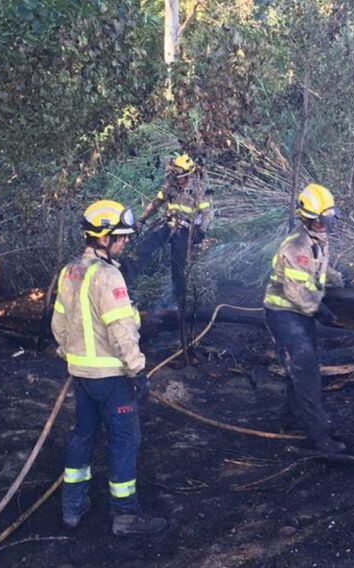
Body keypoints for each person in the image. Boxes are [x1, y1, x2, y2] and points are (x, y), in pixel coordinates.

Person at [51, 199, 166, 535]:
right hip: (111, 379)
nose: (125, 241)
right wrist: (137, 370)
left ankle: (72, 508)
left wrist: (71, 356)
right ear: (103, 238)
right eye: (121, 236)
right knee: (124, 440)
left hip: (81, 376)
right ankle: (126, 517)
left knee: (82, 436)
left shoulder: (69, 271)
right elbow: (121, 330)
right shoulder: (108, 276)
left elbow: (59, 324)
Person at [263, 183, 346, 454]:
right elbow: (297, 293)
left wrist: (337, 279)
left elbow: (316, 270)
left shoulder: (315, 240)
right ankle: (320, 439)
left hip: (299, 312)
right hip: (286, 314)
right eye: (324, 219)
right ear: (310, 218)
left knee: (298, 369)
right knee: (306, 370)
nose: (327, 224)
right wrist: (320, 310)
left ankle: (290, 419)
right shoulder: (297, 246)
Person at [123, 153, 212, 306]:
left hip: (183, 230)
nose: (177, 179)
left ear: (188, 174)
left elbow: (207, 214)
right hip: (167, 225)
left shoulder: (197, 190)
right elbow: (156, 203)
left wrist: (201, 232)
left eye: (181, 176)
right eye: (176, 175)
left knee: (179, 267)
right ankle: (123, 285)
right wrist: (141, 220)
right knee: (141, 250)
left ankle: (178, 302)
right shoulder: (170, 186)